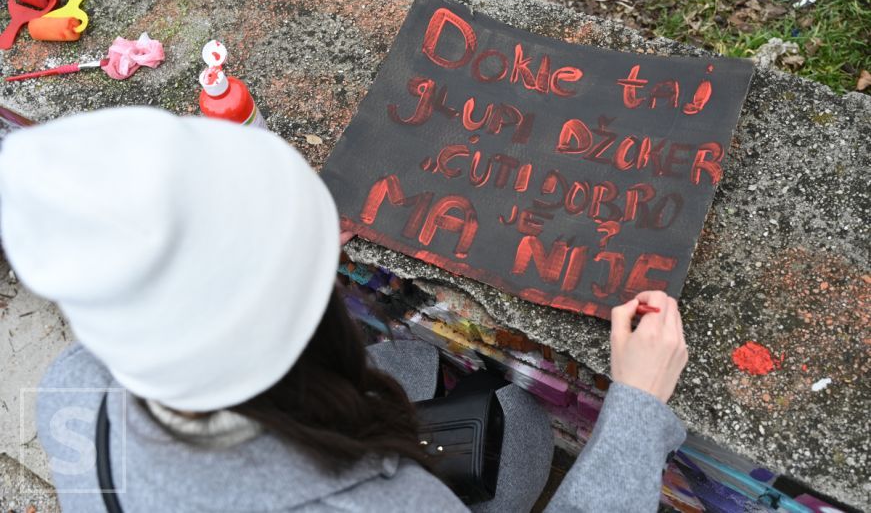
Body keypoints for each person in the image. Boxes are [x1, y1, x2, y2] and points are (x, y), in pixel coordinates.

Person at [0, 107, 688, 512]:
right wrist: (634, 407)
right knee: (519, 432)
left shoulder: (71, 386)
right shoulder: (386, 506)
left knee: (418, 368)